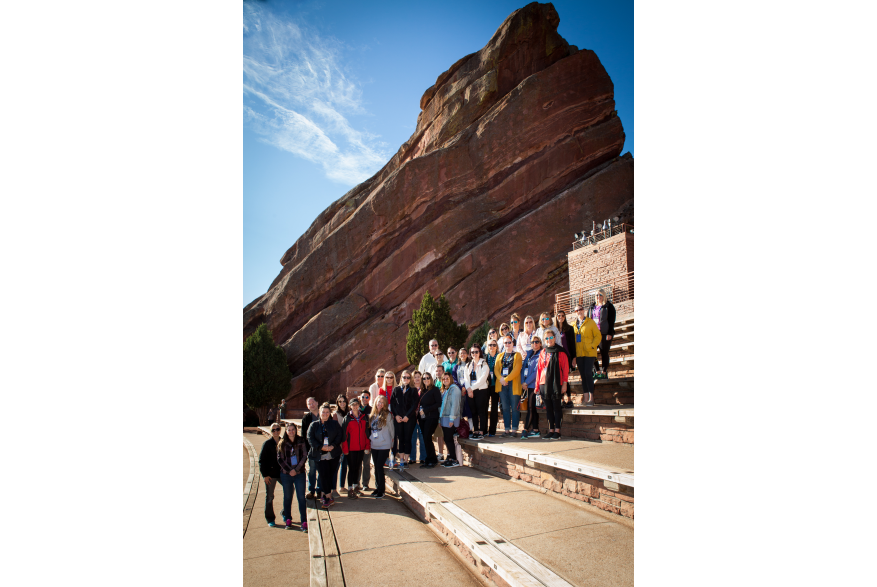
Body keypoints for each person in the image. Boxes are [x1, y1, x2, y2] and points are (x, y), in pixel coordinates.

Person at [535, 331, 570, 440]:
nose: (549, 340)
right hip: (543, 384)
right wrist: (537, 386)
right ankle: (551, 430)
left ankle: (557, 431)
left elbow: (565, 369)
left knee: (557, 407)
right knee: (548, 408)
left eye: (551, 337)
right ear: (544, 340)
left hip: (556, 384)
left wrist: (564, 384)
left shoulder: (561, 352)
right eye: (546, 338)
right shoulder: (542, 352)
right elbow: (539, 370)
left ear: (555, 338)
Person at [307, 403, 343, 509]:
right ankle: (328, 497)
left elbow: (339, 435)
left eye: (327, 412)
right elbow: (310, 438)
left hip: (333, 454)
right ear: (319, 412)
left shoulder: (334, 424)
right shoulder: (314, 425)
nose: (325, 414)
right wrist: (320, 447)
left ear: (330, 414)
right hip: (319, 455)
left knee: (330, 475)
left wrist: (333, 445)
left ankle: (323, 493)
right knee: (323, 475)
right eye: (323, 412)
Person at [277, 422, 308, 531]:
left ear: (296, 430)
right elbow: (280, 459)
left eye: (293, 429)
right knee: (287, 497)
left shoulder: (301, 441)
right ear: (286, 431)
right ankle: (288, 519)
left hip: (299, 474)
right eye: (289, 430)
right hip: (286, 475)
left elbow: (304, 456)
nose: (291, 431)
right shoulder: (282, 443)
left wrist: (296, 469)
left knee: (301, 498)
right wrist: (290, 470)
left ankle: (304, 521)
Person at [340, 398, 370, 500]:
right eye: (353, 405)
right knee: (351, 469)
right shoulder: (347, 418)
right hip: (351, 448)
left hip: (361, 448)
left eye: (357, 404)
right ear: (350, 406)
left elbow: (366, 433)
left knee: (357, 468)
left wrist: (367, 446)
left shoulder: (364, 417)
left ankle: (355, 486)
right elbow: (344, 435)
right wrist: (345, 449)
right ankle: (350, 489)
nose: (355, 406)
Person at [572, 305, 601, 406]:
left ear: (583, 310)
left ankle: (592, 398)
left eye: (580, 309)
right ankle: (585, 399)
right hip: (579, 354)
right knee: (583, 375)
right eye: (576, 310)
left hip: (589, 353)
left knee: (588, 373)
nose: (578, 311)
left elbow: (598, 336)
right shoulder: (573, 325)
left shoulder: (590, 322)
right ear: (575, 312)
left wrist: (593, 346)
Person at [494, 335, 523, 437]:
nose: (507, 344)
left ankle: (514, 430)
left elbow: (517, 370)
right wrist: (501, 379)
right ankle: (506, 430)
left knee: (515, 407)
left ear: (513, 343)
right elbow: (496, 370)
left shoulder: (517, 355)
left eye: (509, 342)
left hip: (513, 384)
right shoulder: (499, 356)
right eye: (505, 343)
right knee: (505, 408)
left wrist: (505, 379)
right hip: (502, 384)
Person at [368, 396, 395, 499]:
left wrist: (392, 441)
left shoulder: (387, 415)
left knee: (379, 466)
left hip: (384, 444)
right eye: (379, 402)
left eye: (383, 402)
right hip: (375, 444)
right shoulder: (372, 415)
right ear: (375, 402)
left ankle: (381, 490)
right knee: (376, 467)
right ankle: (378, 487)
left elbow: (391, 429)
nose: (380, 404)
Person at [391, 370, 418, 470]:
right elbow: (392, 404)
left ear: (410, 379)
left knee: (407, 439)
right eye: (404, 377)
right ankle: (401, 460)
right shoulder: (396, 390)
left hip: (409, 419)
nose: (406, 379)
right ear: (401, 378)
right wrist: (396, 415)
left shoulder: (413, 390)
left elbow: (415, 405)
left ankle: (406, 460)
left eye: (408, 377)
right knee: (400, 439)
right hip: (398, 419)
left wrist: (408, 416)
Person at [463, 345, 490, 440]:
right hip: (471, 391)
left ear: (480, 353)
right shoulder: (468, 365)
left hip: (481, 390)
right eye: (472, 352)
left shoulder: (484, 364)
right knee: (473, 412)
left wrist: (471, 388)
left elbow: (482, 379)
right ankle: (476, 430)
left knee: (481, 412)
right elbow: (466, 379)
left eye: (476, 352)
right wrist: (468, 389)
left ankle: (482, 431)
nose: (474, 354)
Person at [589, 290, 617, 379]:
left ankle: (604, 372)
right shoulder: (592, 307)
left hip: (604, 334)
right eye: (597, 295)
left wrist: (610, 333)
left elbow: (612, 321)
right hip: (593, 334)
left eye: (601, 295)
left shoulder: (609, 306)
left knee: (604, 353)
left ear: (604, 295)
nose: (598, 296)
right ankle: (597, 371)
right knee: (591, 353)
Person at [259, 423, 283, 527]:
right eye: (273, 430)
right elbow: (262, 461)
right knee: (269, 497)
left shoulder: (284, 442)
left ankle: (285, 512)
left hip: (283, 473)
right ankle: (270, 518)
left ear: (280, 430)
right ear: (270, 431)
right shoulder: (267, 444)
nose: (276, 431)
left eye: (277, 429)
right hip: (271, 475)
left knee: (290, 491)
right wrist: (265, 475)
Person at [439, 373, 463, 468]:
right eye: (443, 379)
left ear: (451, 379)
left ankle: (454, 459)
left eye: (447, 378)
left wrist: (452, 419)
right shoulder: (446, 390)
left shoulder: (455, 389)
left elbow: (455, 405)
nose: (445, 380)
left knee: (448, 439)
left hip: (450, 418)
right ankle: (450, 458)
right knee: (447, 439)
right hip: (444, 418)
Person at [521, 336, 543, 439]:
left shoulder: (541, 355)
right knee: (532, 408)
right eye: (533, 342)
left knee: (530, 408)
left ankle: (525, 429)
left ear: (540, 343)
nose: (535, 344)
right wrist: (522, 382)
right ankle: (535, 430)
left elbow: (536, 372)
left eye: (537, 342)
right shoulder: (529, 354)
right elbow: (523, 368)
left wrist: (526, 382)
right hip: (526, 384)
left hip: (534, 385)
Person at [418, 373, 442, 468]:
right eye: (424, 378)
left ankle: (432, 459)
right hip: (423, 418)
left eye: (428, 378)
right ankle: (429, 459)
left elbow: (438, 403)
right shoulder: (422, 391)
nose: (426, 379)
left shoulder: (435, 389)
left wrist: (426, 410)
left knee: (427, 436)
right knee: (425, 438)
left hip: (432, 417)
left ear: (431, 379)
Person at [301, 397, 320, 499]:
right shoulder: (306, 418)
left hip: (323, 449)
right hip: (312, 450)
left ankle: (320, 490)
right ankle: (311, 490)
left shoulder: (324, 414)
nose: (312, 405)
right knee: (312, 470)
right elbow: (303, 436)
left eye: (313, 402)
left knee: (321, 471)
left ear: (317, 403)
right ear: (307, 406)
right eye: (309, 404)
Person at [332, 395, 350, 496]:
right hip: (339, 444)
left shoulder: (349, 413)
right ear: (338, 403)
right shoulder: (336, 414)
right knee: (336, 466)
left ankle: (342, 486)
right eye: (340, 401)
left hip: (347, 443)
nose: (342, 403)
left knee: (345, 466)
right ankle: (333, 489)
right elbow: (335, 430)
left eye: (344, 401)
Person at [410, 371, 428, 464]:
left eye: (418, 377)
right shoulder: (410, 389)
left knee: (422, 438)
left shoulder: (424, 389)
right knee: (412, 438)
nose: (417, 378)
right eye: (415, 377)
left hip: (422, 417)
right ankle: (412, 458)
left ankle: (423, 457)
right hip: (412, 417)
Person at [485, 338, 500, 437]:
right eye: (490, 345)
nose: (492, 347)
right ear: (487, 347)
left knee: (494, 408)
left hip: (496, 385)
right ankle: (484, 429)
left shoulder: (500, 356)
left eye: (494, 345)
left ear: (497, 346)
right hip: (486, 386)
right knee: (484, 408)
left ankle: (492, 430)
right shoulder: (484, 358)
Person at [358, 391, 373, 490]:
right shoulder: (356, 409)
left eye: (367, 397)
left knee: (366, 464)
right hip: (357, 440)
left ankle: (365, 484)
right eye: (363, 396)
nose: (365, 398)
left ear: (369, 398)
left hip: (367, 440)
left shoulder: (371, 410)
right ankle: (356, 483)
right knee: (358, 464)